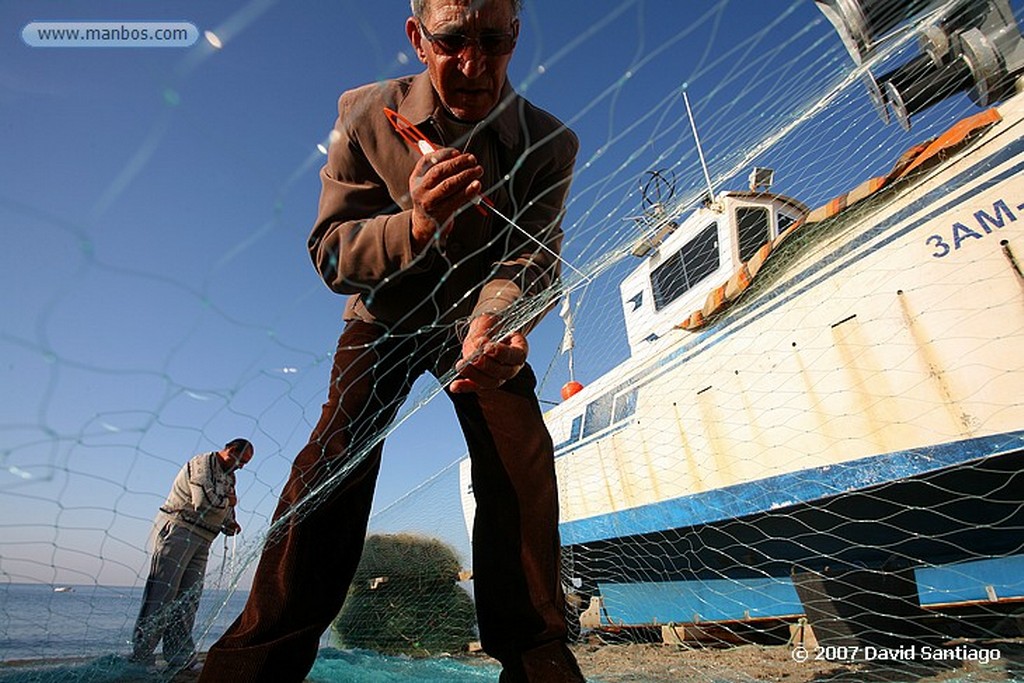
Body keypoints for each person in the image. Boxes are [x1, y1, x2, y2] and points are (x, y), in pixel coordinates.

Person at [198, 0, 583, 680]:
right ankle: (251, 663)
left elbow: (532, 258)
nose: (472, 63)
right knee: (333, 460)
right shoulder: (364, 113)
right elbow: (330, 253)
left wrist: (496, 323)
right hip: (384, 316)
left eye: (493, 40)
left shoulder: (551, 144)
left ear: (516, 37)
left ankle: (537, 659)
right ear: (416, 37)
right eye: (451, 39)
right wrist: (416, 224)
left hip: (477, 325)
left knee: (521, 450)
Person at [130, 438, 254, 671]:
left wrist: (230, 523)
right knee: (162, 593)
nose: (240, 466)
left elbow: (227, 509)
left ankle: (180, 657)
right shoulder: (203, 464)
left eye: (245, 463)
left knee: (188, 599)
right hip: (179, 531)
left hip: (204, 539)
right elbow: (203, 502)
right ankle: (142, 658)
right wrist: (229, 501)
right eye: (239, 460)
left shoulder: (231, 477)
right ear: (228, 450)